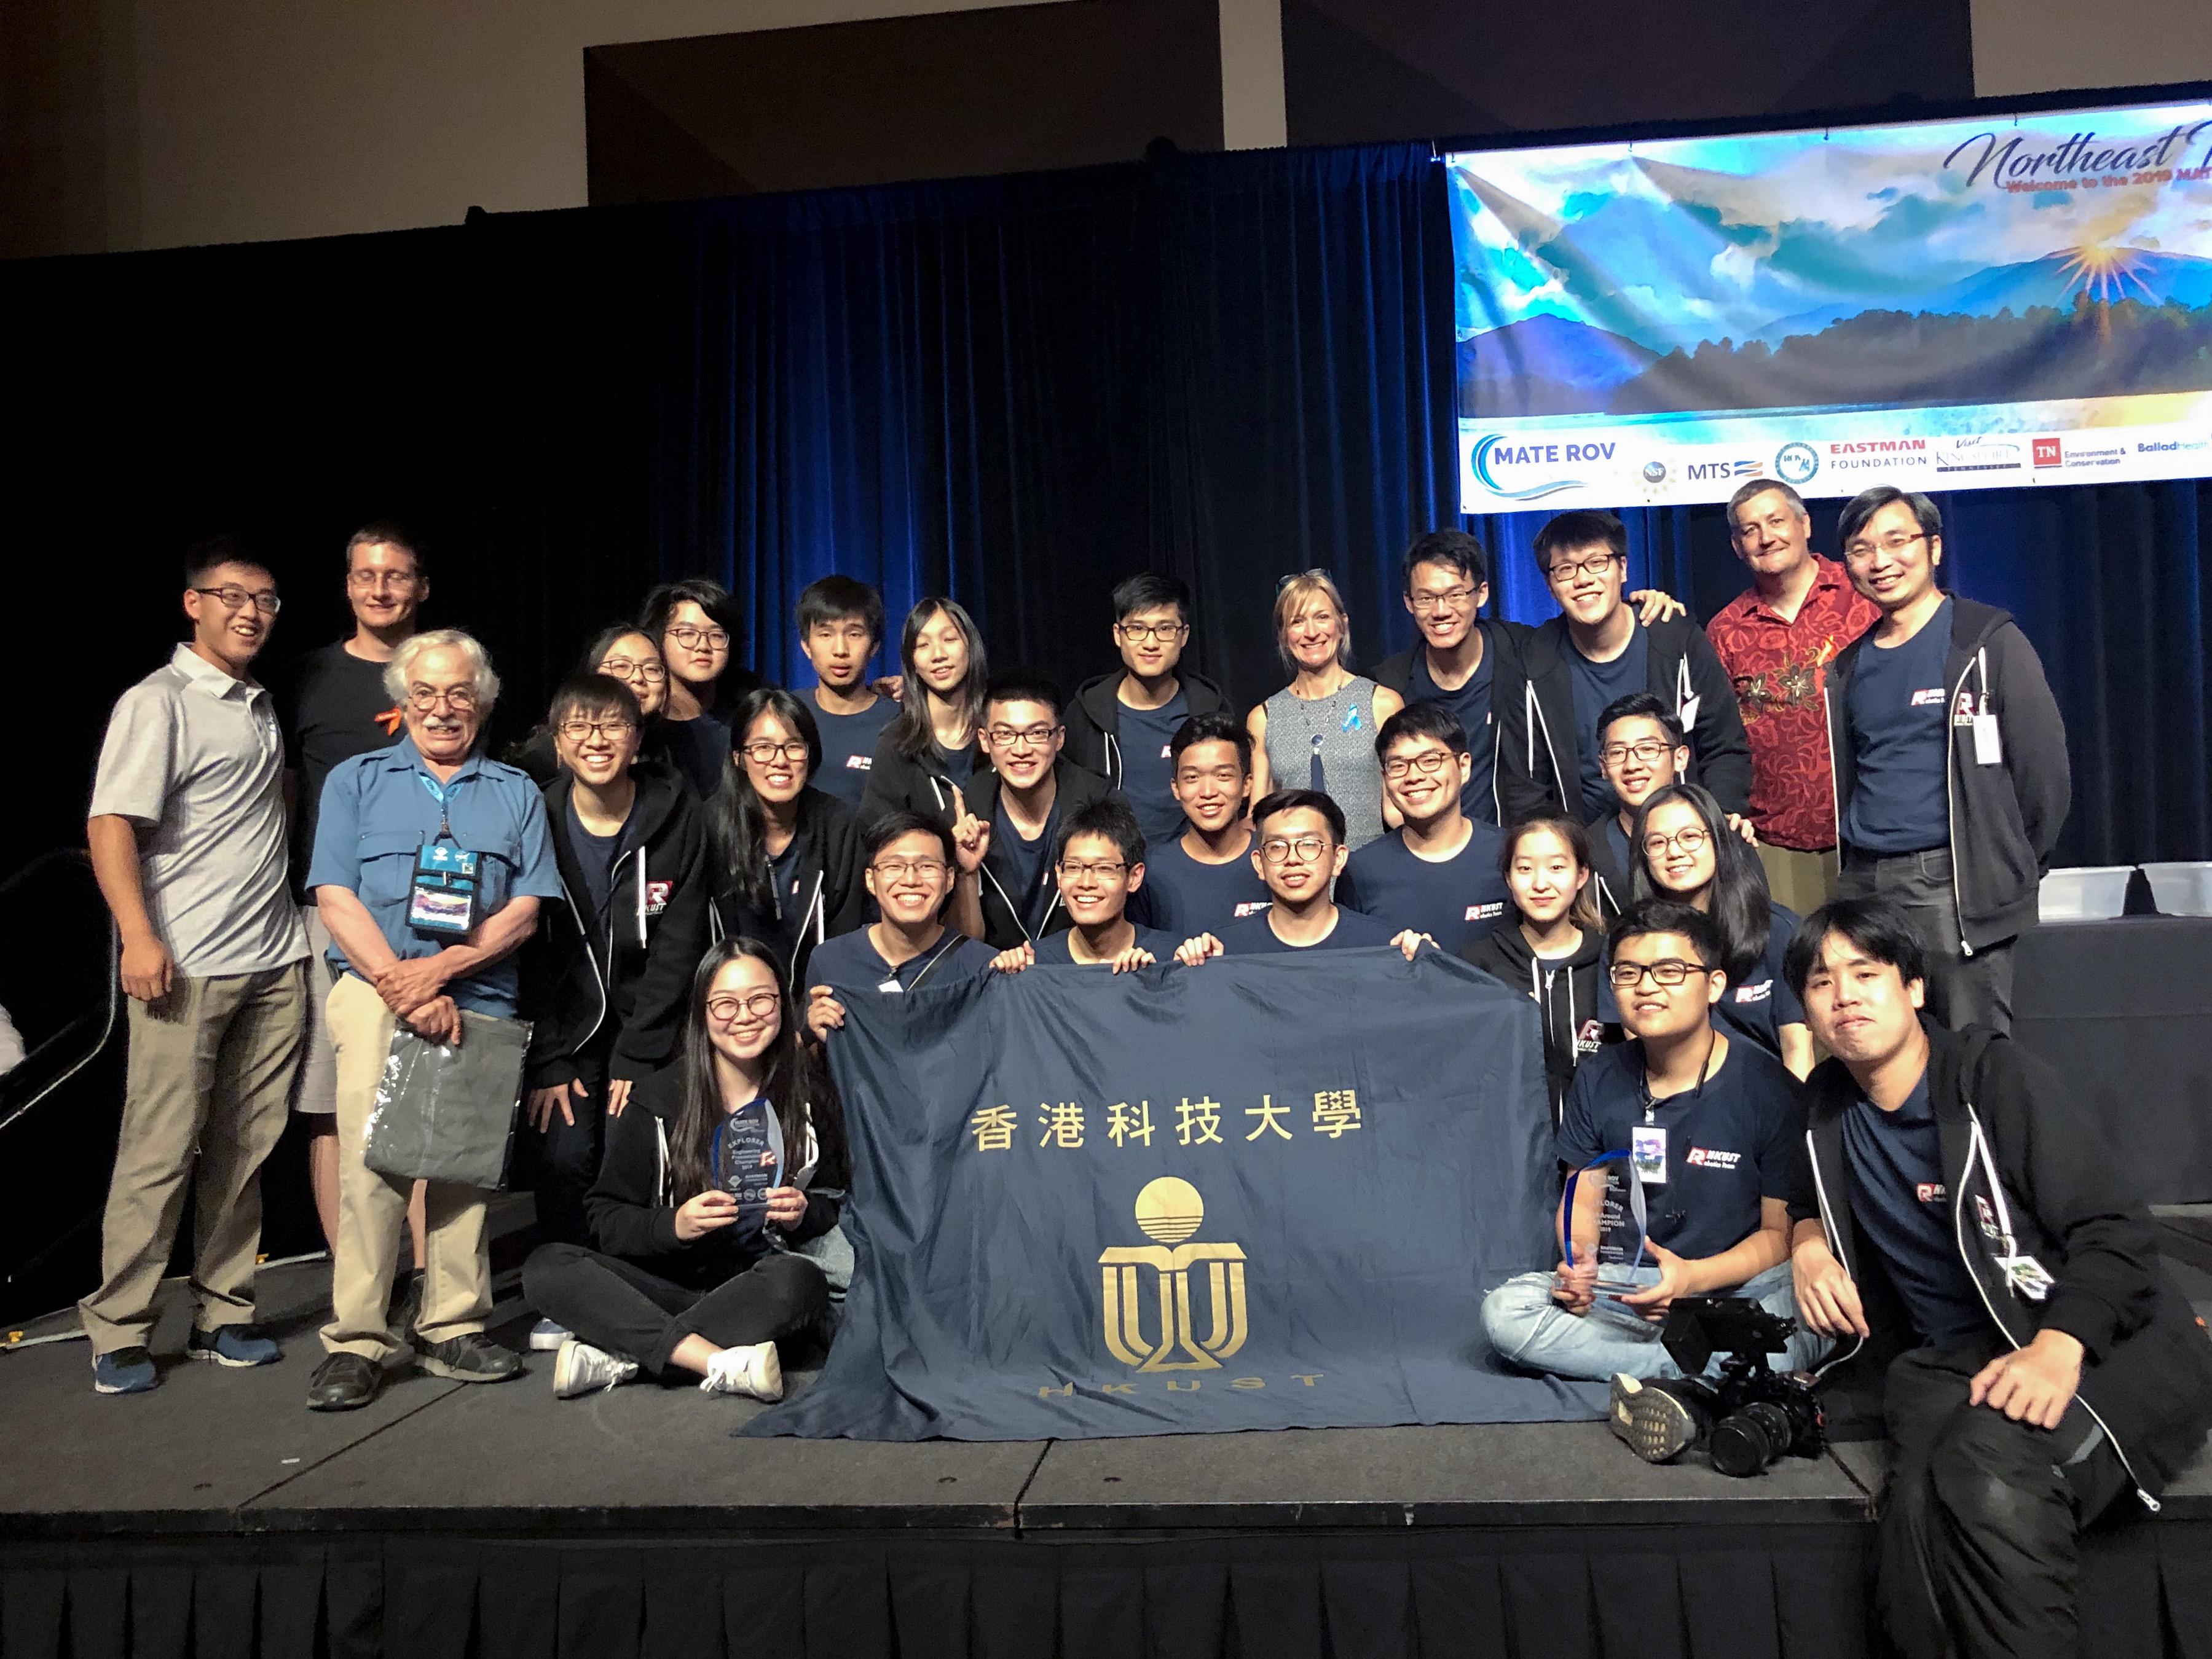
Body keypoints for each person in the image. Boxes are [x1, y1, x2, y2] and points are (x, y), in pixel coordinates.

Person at [1781, 897, 2212, 1659]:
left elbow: (2115, 1230)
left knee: (1983, 1470)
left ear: (1913, 989)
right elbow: (1797, 1193)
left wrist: (2058, 1344)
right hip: (1948, 1359)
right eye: (1821, 982)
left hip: (2103, 1339)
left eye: (1865, 973)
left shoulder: (1991, 1079)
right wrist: (1809, 1242)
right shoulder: (1824, 1107)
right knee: (1911, 1513)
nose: (1843, 994)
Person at [303, 629, 564, 1411]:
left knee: (460, 1169)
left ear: (482, 703)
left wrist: (443, 971)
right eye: (426, 694)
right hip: (374, 992)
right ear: (401, 701)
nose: (443, 709)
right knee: (372, 1166)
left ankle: (452, 1326)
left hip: (478, 994)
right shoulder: (356, 780)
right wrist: (400, 982)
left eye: (459, 694)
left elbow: (526, 907)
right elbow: (333, 895)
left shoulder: (515, 790)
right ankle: (358, 1340)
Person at [80, 536, 311, 1395]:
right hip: (188, 962)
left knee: (246, 1150)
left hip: (273, 957)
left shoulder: (254, 701)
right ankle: (121, 1325)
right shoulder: (159, 701)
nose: (250, 612)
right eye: (231, 595)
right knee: (160, 1147)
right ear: (194, 604)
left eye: (265, 599)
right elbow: (110, 824)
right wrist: (139, 937)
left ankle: (225, 1311)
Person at [1481, 901, 1812, 1386]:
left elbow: (1775, 1237)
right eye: (1628, 972)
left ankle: (1669, 1370)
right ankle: (1704, 1373)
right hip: (1631, 1285)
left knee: (1807, 1306)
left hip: (1735, 1287)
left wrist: (1692, 1280)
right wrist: (1580, 1263)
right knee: (1505, 1311)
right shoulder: (1599, 1076)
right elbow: (1584, 1195)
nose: (1646, 986)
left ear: (1714, 985)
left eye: (1669, 970)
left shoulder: (1770, 1088)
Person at [522, 938, 843, 1402]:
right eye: (725, 1004)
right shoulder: (656, 1098)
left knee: (800, 1280)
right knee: (547, 1266)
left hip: (751, 1288)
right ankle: (715, 1360)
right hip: (660, 1287)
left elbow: (838, 1201)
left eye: (761, 999)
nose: (745, 1016)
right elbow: (606, 1220)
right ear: (701, 1012)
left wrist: (803, 1212)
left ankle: (626, 1354)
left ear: (782, 1003)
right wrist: (673, 1224)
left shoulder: (808, 1094)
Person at [1825, 487, 2068, 1033]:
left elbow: (2044, 777)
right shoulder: (1849, 666)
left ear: (1933, 548)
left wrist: (2002, 865)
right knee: (1882, 1049)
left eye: (1896, 541)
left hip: (1949, 885)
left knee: (1971, 1052)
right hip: (1865, 881)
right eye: (1861, 549)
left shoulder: (1986, 643)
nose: (1880, 561)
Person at [517, 673, 711, 1296]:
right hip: (564, 1034)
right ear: (557, 739)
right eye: (579, 725)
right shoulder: (536, 813)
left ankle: (642, 1283)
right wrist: (547, 1059)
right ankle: (572, 1289)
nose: (595, 739)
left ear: (636, 738)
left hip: (650, 1029)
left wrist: (639, 1050)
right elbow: (529, 953)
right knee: (564, 1151)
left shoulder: (676, 813)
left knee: (638, 1144)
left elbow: (680, 945)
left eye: (612, 726)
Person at [271, 523, 427, 1258]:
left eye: (395, 575)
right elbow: (288, 796)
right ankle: (354, 1268)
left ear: (420, 587)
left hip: (431, 910)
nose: (381, 588)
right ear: (347, 586)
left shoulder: (446, 666)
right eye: (366, 575)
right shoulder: (310, 676)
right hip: (330, 911)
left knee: (424, 1094)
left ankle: (432, 1274)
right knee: (331, 1101)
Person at [1367, 531, 1685, 826]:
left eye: (1455, 595)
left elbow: (1591, 626)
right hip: (1429, 850)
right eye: (1426, 598)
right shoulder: (1391, 685)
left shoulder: (1526, 652)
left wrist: (1642, 604)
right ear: (1409, 603)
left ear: (1481, 594)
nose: (1441, 611)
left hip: (1515, 849)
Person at [1496, 511, 1750, 832]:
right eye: (1565, 570)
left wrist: (1716, 822)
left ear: (1624, 568)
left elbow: (1725, 744)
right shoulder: (1533, 662)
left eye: (1597, 562)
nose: (1583, 579)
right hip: (1584, 850)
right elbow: (1524, 786)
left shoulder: (1676, 640)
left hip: (1682, 838)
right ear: (1549, 585)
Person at [1706, 479, 1879, 916]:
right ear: (1736, 547)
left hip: (1871, 832)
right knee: (1795, 969)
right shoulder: (1725, 630)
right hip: (1776, 843)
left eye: (1776, 521)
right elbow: (1717, 738)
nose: (1766, 537)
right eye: (1750, 530)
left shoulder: (1863, 594)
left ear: (1804, 525)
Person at [1629, 782, 1813, 1078]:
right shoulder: (1632, 943)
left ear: (1717, 841)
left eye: (1690, 837)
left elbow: (1797, 1049)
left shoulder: (1777, 929)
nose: (1674, 852)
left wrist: (1790, 1122)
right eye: (1657, 843)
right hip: (1676, 1104)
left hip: (1766, 1104)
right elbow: (1643, 1058)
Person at [1461, 817, 1620, 1124]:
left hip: (1598, 1148)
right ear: (1508, 877)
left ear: (1582, 874)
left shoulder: (1612, 960)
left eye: (1557, 867)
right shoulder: (1478, 964)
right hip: (1511, 1146)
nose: (1540, 883)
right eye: (1525, 869)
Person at [708, 686, 865, 994]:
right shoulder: (709, 827)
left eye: (793, 746)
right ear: (740, 758)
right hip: (730, 1012)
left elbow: (845, 941)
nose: (779, 761)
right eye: (763, 748)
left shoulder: (837, 824)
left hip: (817, 1008)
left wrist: (808, 1024)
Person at [1063, 573, 1232, 850]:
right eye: (1137, 629)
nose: (1151, 643)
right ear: (1118, 635)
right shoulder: (1085, 713)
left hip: (1193, 865)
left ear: (1184, 635)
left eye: (1165, 629)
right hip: (1112, 868)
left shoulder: (1211, 710)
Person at [805, 814, 1000, 1043]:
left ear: (949, 879)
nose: (910, 879)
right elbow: (814, 1066)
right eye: (894, 866)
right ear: (870, 880)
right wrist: (817, 1037)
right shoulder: (831, 960)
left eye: (927, 866)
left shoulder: (982, 966)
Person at [956, 670, 1117, 951]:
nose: (1021, 749)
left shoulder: (1099, 804)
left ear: (1059, 738)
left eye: (1037, 733)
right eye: (1005, 734)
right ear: (985, 740)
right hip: (998, 976)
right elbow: (966, 946)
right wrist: (966, 874)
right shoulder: (969, 812)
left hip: (1078, 974)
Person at [1335, 704, 1507, 954]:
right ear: (1384, 778)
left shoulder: (1509, 854)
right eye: (1398, 765)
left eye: (1430, 760)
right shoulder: (1361, 871)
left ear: (1464, 767)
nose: (1413, 776)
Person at [1248, 572, 1401, 852]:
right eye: (1297, 621)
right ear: (1284, 635)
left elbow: (1395, 807)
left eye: (1322, 617)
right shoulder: (1264, 717)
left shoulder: (1381, 703)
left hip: (1368, 874)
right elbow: (1259, 816)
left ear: (1342, 625)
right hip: (1296, 873)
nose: (1311, 632)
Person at [1175, 790, 1409, 960]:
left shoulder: (1382, 946)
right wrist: (1190, 966)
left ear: (1338, 859)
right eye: (1277, 846)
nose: (1293, 858)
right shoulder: (1224, 950)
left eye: (1309, 844)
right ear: (1259, 864)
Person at [992, 799, 1180, 973]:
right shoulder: (1034, 963)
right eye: (1073, 867)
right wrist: (1011, 977)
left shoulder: (1170, 958)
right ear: (1059, 874)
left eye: (1104, 868)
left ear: (1134, 877)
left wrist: (1160, 983)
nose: (1086, 883)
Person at [1127, 713, 1272, 936]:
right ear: (1176, 788)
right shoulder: (1152, 873)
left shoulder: (1276, 861)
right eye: (1192, 778)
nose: (1207, 792)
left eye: (1223, 775)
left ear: (1246, 784)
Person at [857, 598, 989, 826]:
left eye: (949, 639)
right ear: (912, 661)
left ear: (971, 646)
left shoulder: (1003, 734)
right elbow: (878, 834)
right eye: (923, 645)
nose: (938, 654)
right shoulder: (896, 744)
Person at [507, 625, 675, 786]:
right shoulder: (543, 757)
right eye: (621, 666)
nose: (638, 677)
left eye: (652, 669)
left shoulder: (663, 750)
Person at [642, 579, 765, 798]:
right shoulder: (642, 728)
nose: (702, 646)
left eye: (716, 635)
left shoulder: (752, 718)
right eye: (687, 634)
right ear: (660, 639)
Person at [794, 576, 900, 814]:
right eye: (826, 635)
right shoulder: (788, 715)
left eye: (854, 634)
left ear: (874, 647)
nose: (840, 650)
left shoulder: (900, 722)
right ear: (806, 646)